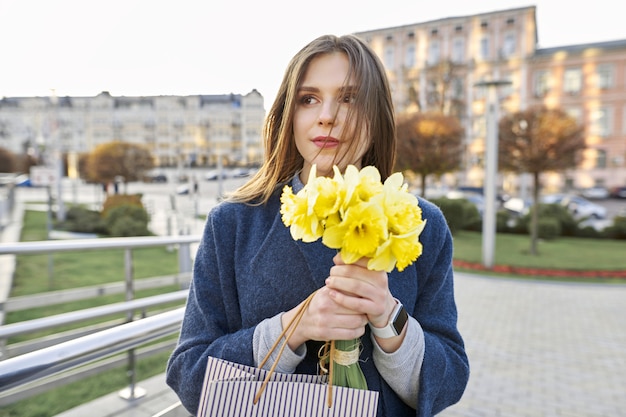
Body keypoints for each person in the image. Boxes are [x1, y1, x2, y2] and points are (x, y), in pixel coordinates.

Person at [166, 34, 469, 417]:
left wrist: (390, 320)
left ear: (376, 116)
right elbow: (189, 376)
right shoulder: (233, 224)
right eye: (308, 99)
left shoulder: (421, 225)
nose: (327, 115)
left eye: (349, 98)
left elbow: (451, 379)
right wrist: (292, 328)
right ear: (289, 114)